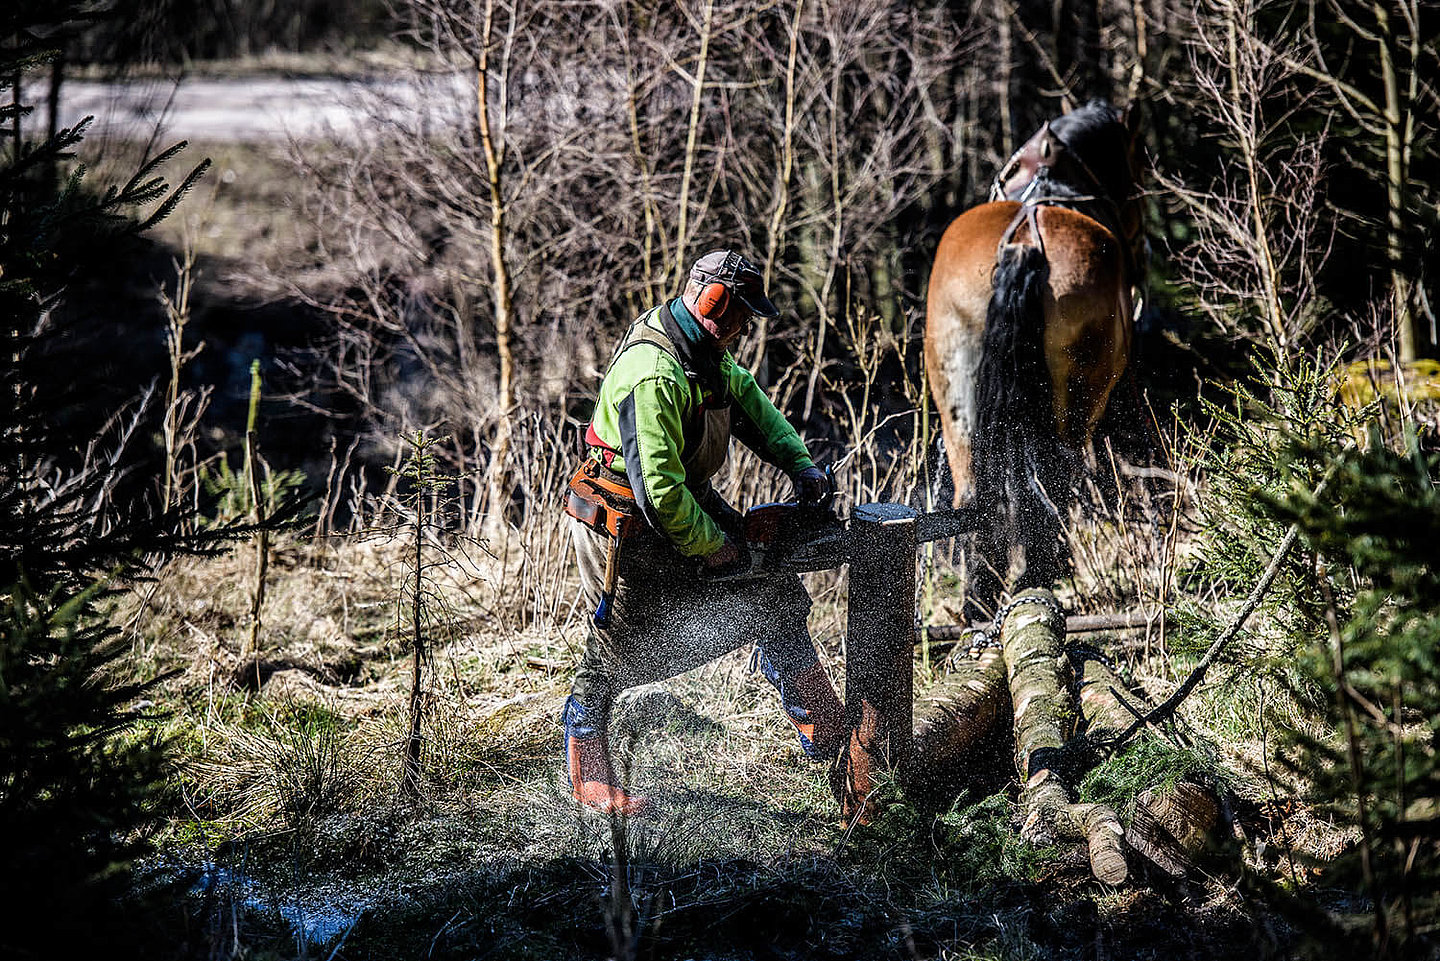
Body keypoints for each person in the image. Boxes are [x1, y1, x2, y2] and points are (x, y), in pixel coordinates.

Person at [561, 249, 844, 816]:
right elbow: (657, 490)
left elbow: (752, 408)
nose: (744, 327)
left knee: (773, 592)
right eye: (739, 313)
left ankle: (831, 733)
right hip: (627, 519)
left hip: (677, 499)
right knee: (621, 647)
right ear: (713, 301)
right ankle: (589, 780)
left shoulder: (705, 353)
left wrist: (801, 465)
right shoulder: (656, 372)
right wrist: (715, 547)